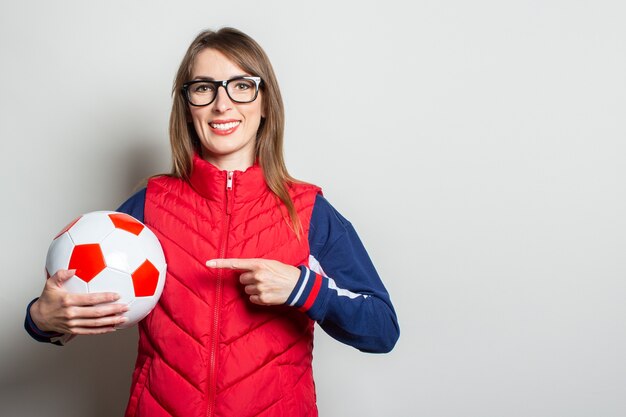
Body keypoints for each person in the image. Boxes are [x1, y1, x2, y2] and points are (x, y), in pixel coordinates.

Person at [25, 27, 399, 417]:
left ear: (265, 101)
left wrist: (303, 288)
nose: (222, 105)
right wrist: (43, 318)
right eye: (204, 88)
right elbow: (72, 304)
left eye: (241, 85)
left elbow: (382, 330)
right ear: (188, 105)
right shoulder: (145, 208)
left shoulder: (308, 212)